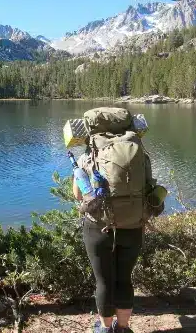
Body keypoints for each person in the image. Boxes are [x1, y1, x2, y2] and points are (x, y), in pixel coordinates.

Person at [73, 141, 153, 333]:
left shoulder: (86, 158)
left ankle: (105, 328)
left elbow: (77, 195)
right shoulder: (140, 155)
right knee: (125, 278)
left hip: (98, 228)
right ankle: (123, 328)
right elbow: (148, 188)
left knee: (104, 281)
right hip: (133, 225)